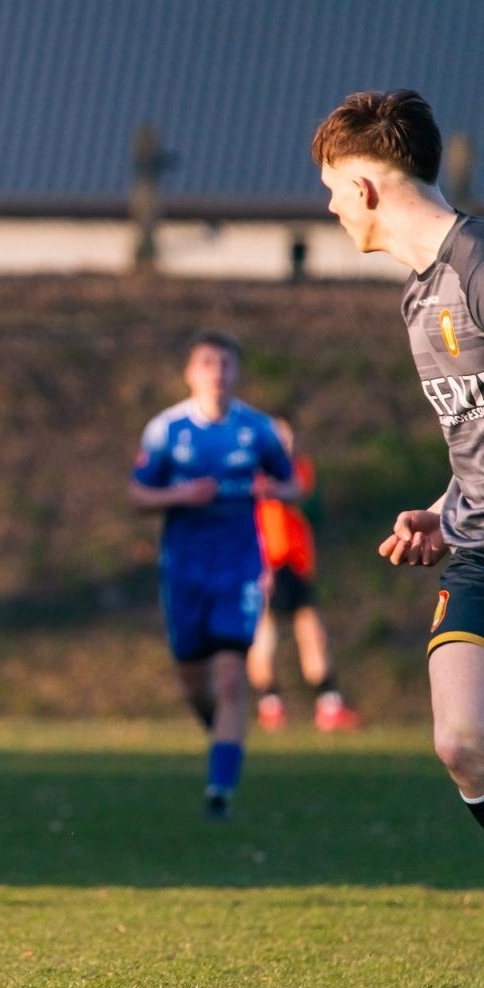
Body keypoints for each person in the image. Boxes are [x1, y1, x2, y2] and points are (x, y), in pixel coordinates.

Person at [313, 89, 484, 835]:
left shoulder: (478, 264)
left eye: (331, 191)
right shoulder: (420, 299)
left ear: (365, 188)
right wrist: (447, 511)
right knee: (461, 740)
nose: (331, 209)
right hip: (476, 550)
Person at [129, 331, 298, 820]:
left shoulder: (258, 429)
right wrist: (180, 496)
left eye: (225, 364)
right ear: (190, 373)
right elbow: (138, 496)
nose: (217, 373)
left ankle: (219, 792)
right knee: (192, 681)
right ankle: (223, 740)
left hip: (239, 569)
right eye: (207, 364)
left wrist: (273, 489)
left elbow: (292, 484)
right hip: (183, 571)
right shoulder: (166, 430)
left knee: (230, 677)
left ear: (236, 372)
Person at [247, 417, 362, 732]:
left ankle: (328, 704)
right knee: (264, 634)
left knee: (312, 633)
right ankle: (270, 705)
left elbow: (300, 496)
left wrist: (276, 489)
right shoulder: (250, 472)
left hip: (298, 563)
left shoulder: (299, 469)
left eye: (288, 436)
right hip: (267, 565)